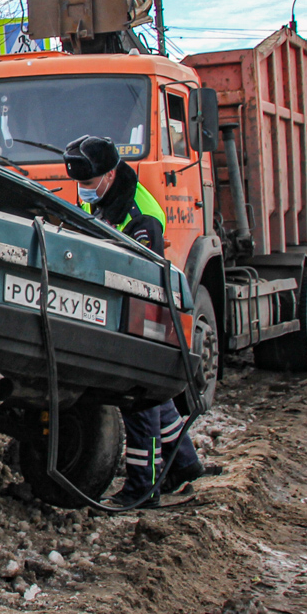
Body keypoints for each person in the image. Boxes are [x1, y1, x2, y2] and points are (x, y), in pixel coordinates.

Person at [63, 134, 219, 508]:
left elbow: (144, 281)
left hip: (144, 314)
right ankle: (184, 466)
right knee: (158, 401)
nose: (83, 190)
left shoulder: (140, 217)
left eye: (88, 182)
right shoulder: (102, 198)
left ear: (110, 174)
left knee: (139, 401)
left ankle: (142, 489)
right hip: (123, 308)